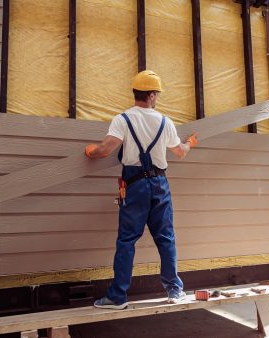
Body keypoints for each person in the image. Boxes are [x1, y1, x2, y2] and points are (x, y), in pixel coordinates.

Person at [85, 70, 197, 310]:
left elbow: (105, 149)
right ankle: (175, 291)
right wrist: (189, 143)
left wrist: (90, 152)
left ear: (136, 93)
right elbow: (180, 152)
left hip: (134, 186)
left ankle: (117, 297)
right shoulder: (165, 122)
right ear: (153, 95)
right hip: (159, 185)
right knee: (166, 238)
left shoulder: (122, 119)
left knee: (127, 240)